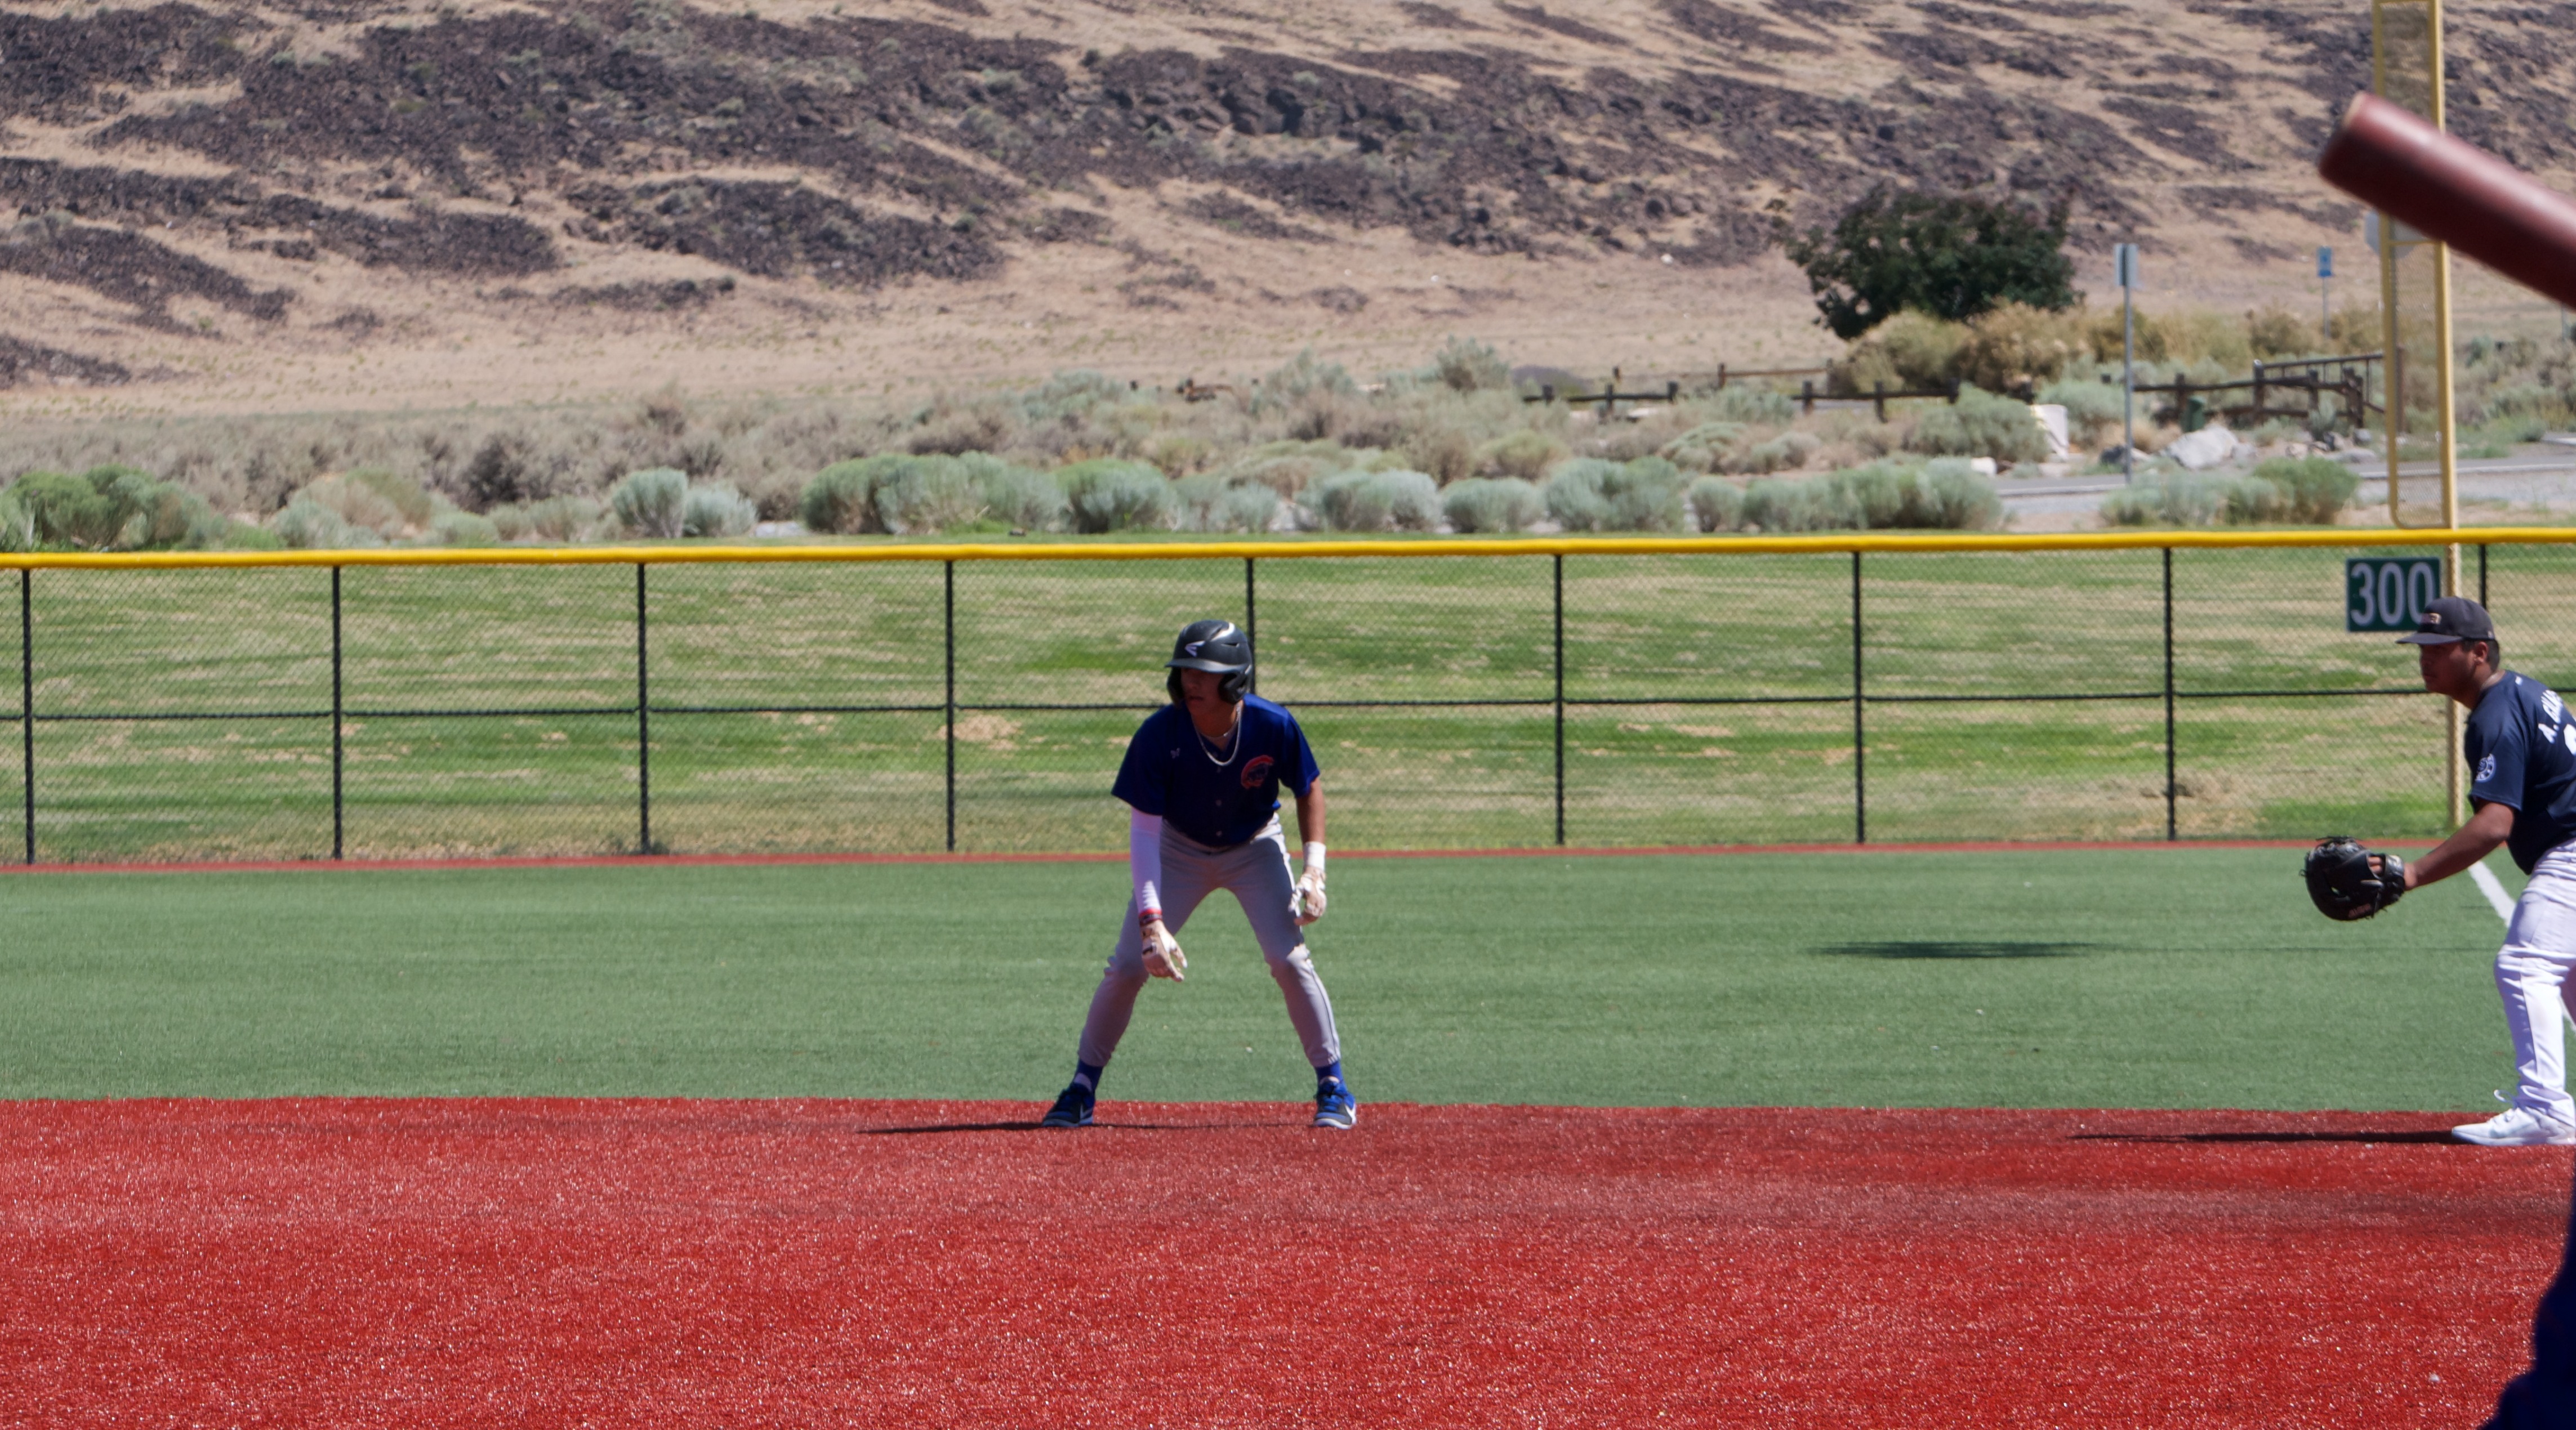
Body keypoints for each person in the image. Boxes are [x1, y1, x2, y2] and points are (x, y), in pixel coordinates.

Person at [1039, 619, 1353, 1130]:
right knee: (1127, 966)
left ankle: (1334, 1086)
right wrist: (1151, 920)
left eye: (1204, 672)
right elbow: (1144, 832)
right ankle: (1080, 1089)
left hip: (1254, 846)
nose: (1190, 681)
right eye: (1184, 669)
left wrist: (1315, 871)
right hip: (1176, 849)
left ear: (1234, 683)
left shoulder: (1273, 725)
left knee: (1288, 958)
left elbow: (1308, 787)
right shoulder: (1159, 735)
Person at [2392, 596, 2576, 1146]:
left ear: (2477, 651)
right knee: (2567, 980)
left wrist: (2411, 873)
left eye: (2437, 647)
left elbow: (2495, 823)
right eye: (2420, 647)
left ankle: (2544, 1107)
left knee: (2524, 966)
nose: (2424, 658)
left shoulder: (2494, 713)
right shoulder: (2524, 690)